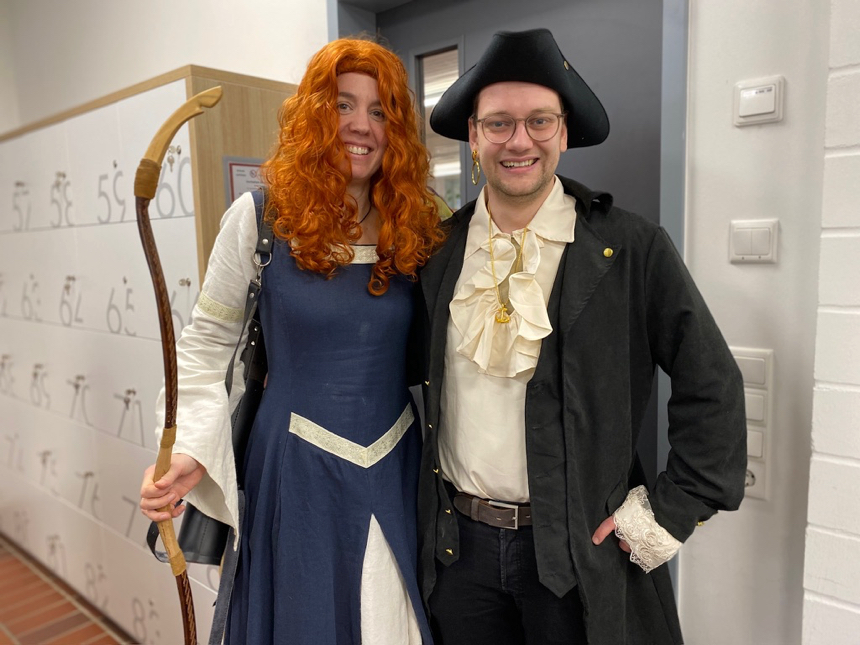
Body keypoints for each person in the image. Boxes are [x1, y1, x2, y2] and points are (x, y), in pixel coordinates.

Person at [416, 28, 747, 645]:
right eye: (498, 123)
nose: (520, 140)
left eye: (539, 121)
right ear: (473, 137)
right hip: (458, 555)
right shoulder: (436, 252)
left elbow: (712, 384)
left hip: (576, 556)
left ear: (563, 133)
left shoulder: (631, 246)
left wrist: (667, 515)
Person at [139, 38, 444, 645]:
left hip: (397, 464)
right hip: (294, 471)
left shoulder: (417, 226)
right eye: (343, 105)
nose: (361, 125)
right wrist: (190, 447)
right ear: (315, 116)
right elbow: (206, 346)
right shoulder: (259, 218)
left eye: (379, 111)